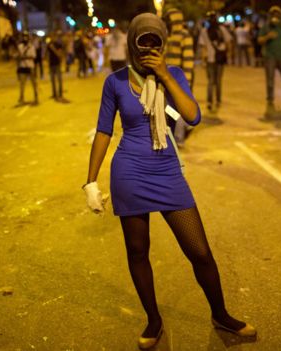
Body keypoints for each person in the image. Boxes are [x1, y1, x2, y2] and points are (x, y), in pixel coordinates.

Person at [84, 13, 256, 350]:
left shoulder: (173, 74)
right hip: (129, 173)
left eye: (154, 41)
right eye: (142, 41)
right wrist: (89, 181)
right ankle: (153, 320)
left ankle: (220, 313)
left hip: (167, 172)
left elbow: (193, 116)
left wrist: (163, 73)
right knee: (137, 251)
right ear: (133, 42)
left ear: (162, 42)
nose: (148, 47)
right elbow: (104, 130)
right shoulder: (115, 81)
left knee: (200, 252)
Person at [163, 7, 195, 147]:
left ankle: (179, 137)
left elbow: (188, 59)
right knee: (167, 107)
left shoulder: (184, 35)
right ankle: (186, 125)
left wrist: (185, 83)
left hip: (180, 80)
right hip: (167, 79)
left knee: (178, 109)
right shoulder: (167, 36)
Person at [198, 11, 232, 111]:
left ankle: (209, 102)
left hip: (210, 59)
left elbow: (203, 48)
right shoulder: (222, 29)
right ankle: (218, 101)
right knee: (218, 81)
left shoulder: (204, 31)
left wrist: (203, 60)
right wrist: (228, 54)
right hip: (220, 59)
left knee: (210, 81)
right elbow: (229, 42)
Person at [15, 31, 38, 105]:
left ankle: (36, 96)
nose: (25, 38)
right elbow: (18, 57)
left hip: (30, 67)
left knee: (33, 83)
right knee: (22, 84)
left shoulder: (31, 46)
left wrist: (24, 57)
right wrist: (19, 57)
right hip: (22, 67)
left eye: (26, 36)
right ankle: (21, 97)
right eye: (23, 36)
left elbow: (33, 56)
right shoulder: (20, 46)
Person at [46, 31, 69, 103]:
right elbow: (47, 55)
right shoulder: (49, 45)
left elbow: (60, 54)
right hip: (51, 64)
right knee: (52, 80)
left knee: (59, 80)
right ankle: (54, 94)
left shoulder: (58, 44)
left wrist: (53, 49)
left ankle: (60, 94)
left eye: (53, 36)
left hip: (57, 64)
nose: (52, 38)